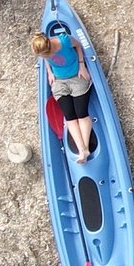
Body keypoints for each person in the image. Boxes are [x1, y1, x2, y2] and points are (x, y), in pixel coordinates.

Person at [33, 28, 96, 164]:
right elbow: (46, 59)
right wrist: (49, 72)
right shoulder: (43, 52)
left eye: (47, 53)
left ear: (49, 44)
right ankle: (82, 150)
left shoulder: (65, 40)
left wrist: (82, 66)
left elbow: (78, 45)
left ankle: (85, 148)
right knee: (69, 117)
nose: (46, 56)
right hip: (59, 82)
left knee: (81, 114)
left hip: (76, 77)